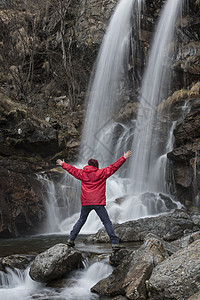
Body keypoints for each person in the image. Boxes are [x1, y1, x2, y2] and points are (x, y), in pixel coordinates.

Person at [56, 150, 132, 250]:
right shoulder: (101, 173)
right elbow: (114, 167)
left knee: (81, 220)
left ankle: (71, 240)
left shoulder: (82, 173)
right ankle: (114, 243)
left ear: (88, 165)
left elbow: (72, 169)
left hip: (86, 202)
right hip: (98, 203)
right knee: (106, 222)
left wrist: (63, 163)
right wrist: (124, 157)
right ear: (97, 166)